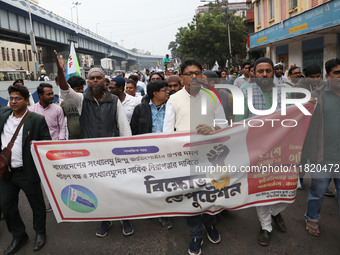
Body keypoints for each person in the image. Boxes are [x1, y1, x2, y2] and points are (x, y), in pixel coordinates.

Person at [53, 51, 134, 238]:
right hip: (91, 155)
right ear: (87, 82)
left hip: (113, 154)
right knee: (98, 188)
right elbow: (65, 91)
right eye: (92, 78)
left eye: (99, 78)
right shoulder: (82, 100)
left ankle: (126, 218)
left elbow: (123, 126)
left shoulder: (114, 101)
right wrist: (59, 70)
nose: (95, 81)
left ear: (105, 82)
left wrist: (127, 151)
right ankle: (105, 220)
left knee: (119, 187)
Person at [163, 60, 227, 255]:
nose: (194, 77)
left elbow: (223, 124)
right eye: (189, 73)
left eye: (197, 73)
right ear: (181, 77)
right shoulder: (173, 100)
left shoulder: (213, 97)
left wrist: (213, 129)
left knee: (210, 194)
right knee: (192, 197)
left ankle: (210, 224)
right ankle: (196, 235)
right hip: (185, 159)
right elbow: (167, 133)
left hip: (211, 157)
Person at [234, 57, 288, 246]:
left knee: (284, 188)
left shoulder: (285, 92)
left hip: (282, 150)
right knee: (261, 189)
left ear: (274, 72)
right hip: (256, 151)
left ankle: (275, 212)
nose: (264, 74)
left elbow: (294, 117)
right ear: (253, 74)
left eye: (268, 71)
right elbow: (239, 124)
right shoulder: (245, 93)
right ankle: (266, 226)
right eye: (260, 71)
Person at [0, 84, 51, 254]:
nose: (13, 102)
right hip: (6, 173)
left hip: (27, 172)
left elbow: (47, 143)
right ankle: (19, 235)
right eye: (11, 98)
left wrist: (37, 145)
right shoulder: (3, 115)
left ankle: (40, 233)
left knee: (36, 205)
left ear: (27, 100)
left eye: (17, 98)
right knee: (7, 206)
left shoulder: (36, 119)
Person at [302, 58, 340, 236]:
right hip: (322, 157)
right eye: (337, 73)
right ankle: (312, 218)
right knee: (317, 192)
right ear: (328, 76)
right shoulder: (316, 97)